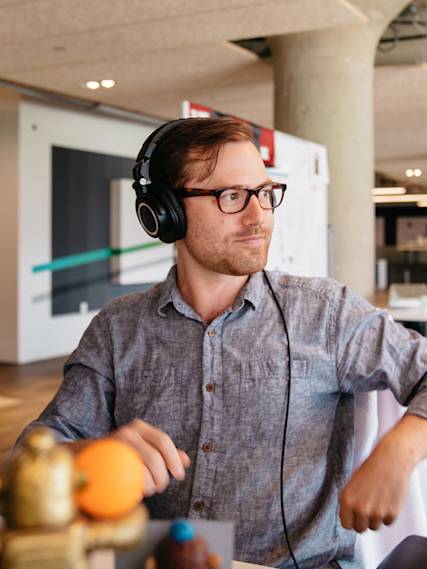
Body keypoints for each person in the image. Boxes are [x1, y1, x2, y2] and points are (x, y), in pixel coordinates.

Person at [19, 117, 427, 569]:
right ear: (165, 212)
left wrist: (398, 453)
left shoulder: (324, 312)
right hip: (162, 560)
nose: (259, 217)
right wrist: (88, 455)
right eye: (231, 196)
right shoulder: (118, 329)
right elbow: (30, 455)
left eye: (265, 193)